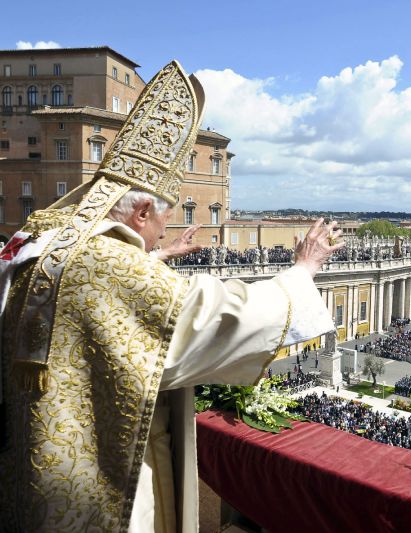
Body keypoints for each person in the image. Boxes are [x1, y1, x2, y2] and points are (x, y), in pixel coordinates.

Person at [0, 60, 344, 532]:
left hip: (24, 477)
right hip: (105, 497)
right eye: (161, 225)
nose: (162, 235)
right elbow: (227, 320)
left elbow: (84, 287)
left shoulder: (40, 245)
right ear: (142, 211)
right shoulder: (119, 270)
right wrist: (303, 271)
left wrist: (156, 259)